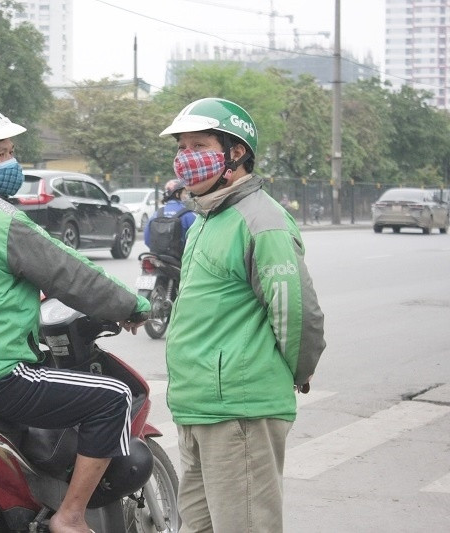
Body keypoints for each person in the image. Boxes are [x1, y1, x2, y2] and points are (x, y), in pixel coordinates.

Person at [0, 105, 150, 533]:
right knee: (113, 397)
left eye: (11, 152)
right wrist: (131, 306)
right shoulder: (1, 220)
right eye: (0, 154)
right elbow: (72, 273)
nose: (12, 162)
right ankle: (70, 517)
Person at [158, 97, 326, 533]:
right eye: (182, 147)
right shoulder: (207, 217)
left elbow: (296, 311)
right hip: (197, 408)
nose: (185, 157)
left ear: (236, 153)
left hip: (239, 411)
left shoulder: (260, 220)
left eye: (198, 146)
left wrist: (299, 369)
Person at [143, 178, 197, 256]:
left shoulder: (156, 214)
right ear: (177, 194)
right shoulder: (189, 215)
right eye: (185, 193)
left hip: (158, 257)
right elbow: (198, 241)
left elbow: (147, 240)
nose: (187, 196)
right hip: (181, 259)